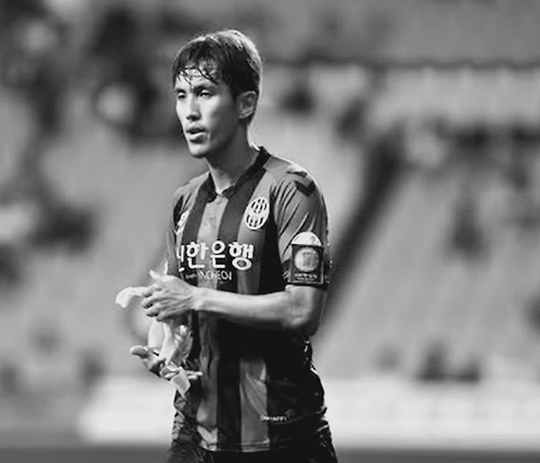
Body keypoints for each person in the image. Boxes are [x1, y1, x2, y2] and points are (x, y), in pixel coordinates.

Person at [131, 29, 338, 463]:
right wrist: (169, 353)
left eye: (205, 93)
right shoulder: (184, 201)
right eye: (181, 95)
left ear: (245, 104)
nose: (189, 111)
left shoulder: (291, 190)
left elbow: (303, 311)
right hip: (196, 434)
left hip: (282, 438)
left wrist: (198, 298)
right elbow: (180, 314)